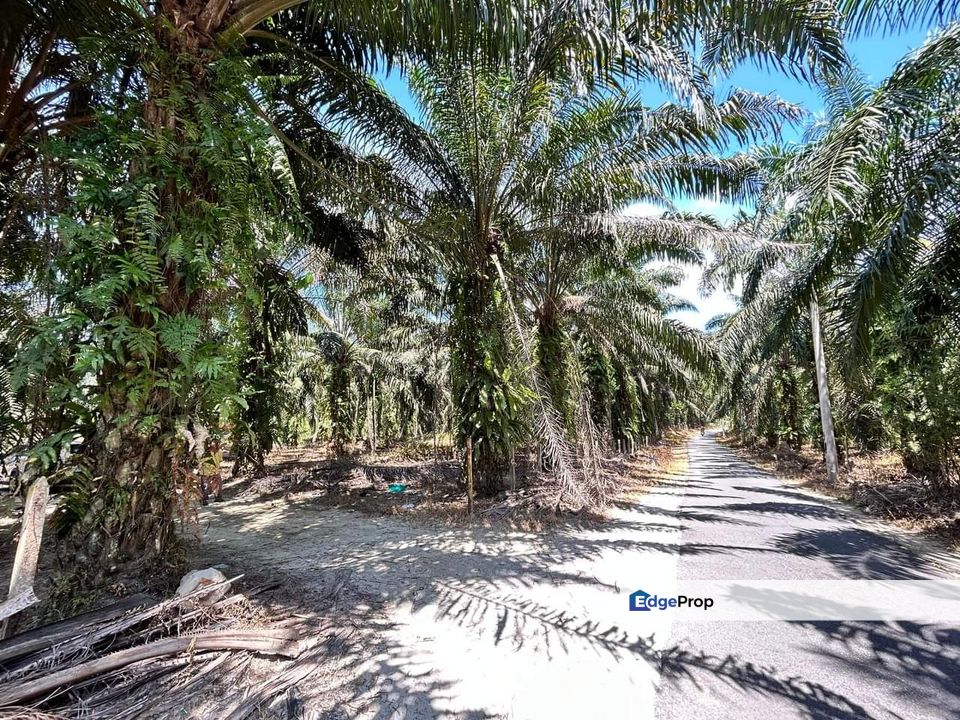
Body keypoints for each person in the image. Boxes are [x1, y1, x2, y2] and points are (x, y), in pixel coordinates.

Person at [199, 436, 224, 505]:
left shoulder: (219, 452)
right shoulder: (206, 452)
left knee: (219, 483)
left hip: (215, 470)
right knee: (205, 485)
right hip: (206, 470)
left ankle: (218, 497)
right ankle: (204, 499)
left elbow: (220, 460)